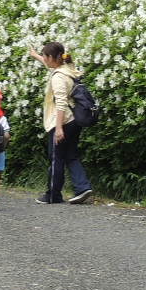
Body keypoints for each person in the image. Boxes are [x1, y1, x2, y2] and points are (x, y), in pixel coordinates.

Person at [30, 41, 92, 205]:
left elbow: (61, 103)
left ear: (52, 58)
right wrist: (36, 55)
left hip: (62, 122)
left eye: (45, 56)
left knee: (56, 158)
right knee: (71, 155)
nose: (44, 59)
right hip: (74, 121)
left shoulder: (58, 78)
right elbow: (50, 65)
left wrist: (58, 128)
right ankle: (83, 187)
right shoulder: (69, 69)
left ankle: (53, 195)